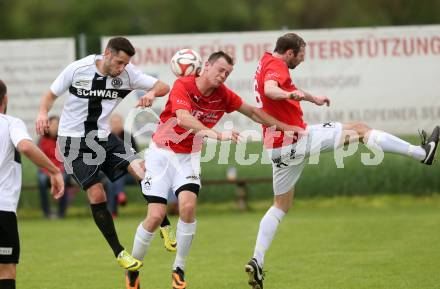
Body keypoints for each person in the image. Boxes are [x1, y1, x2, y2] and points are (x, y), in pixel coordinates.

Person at [244, 33, 440, 289]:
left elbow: (279, 88)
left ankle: (257, 261)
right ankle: (421, 153)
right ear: (289, 53)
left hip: (277, 149)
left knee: (281, 205)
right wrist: (289, 96)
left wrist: (311, 98)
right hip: (296, 139)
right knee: (359, 129)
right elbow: (272, 89)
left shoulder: (265, 61)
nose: (302, 60)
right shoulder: (277, 67)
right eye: (301, 55)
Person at [125, 51, 301, 289]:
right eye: (220, 70)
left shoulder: (223, 95)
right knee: (155, 216)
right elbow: (184, 118)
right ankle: (134, 268)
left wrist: (285, 127)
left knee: (188, 207)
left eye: (227, 73)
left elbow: (253, 112)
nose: (223, 76)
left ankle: (179, 268)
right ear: (205, 66)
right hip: (161, 155)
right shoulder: (183, 85)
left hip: (188, 158)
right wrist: (217, 135)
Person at [35, 37, 170, 272]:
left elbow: (163, 86)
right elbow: (50, 95)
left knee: (142, 169)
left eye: (125, 64)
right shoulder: (78, 69)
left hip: (104, 138)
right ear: (107, 53)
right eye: (118, 62)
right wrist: (42, 114)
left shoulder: (127, 74)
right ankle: (119, 252)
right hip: (72, 142)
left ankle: (164, 224)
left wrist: (151, 94)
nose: (121, 69)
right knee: (97, 194)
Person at [0, 79, 64, 289]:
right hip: (2, 209)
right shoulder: (10, 122)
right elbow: (26, 147)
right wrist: (54, 171)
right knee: (5, 269)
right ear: (5, 98)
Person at [108, 113, 177, 252]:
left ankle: (165, 225)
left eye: (118, 122)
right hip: (109, 166)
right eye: (113, 122)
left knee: (142, 173)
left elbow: (135, 153)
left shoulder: (127, 136)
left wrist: (151, 93)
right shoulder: (96, 133)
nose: (116, 125)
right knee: (100, 189)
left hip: (127, 169)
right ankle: (113, 211)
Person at [37, 116, 70, 219]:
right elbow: (39, 159)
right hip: (45, 171)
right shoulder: (42, 140)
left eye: (57, 125)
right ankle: (47, 213)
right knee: (41, 180)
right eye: (52, 125)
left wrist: (58, 171)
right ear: (47, 126)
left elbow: (67, 160)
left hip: (61, 170)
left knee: (64, 179)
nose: (55, 127)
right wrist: (49, 172)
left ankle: (61, 213)